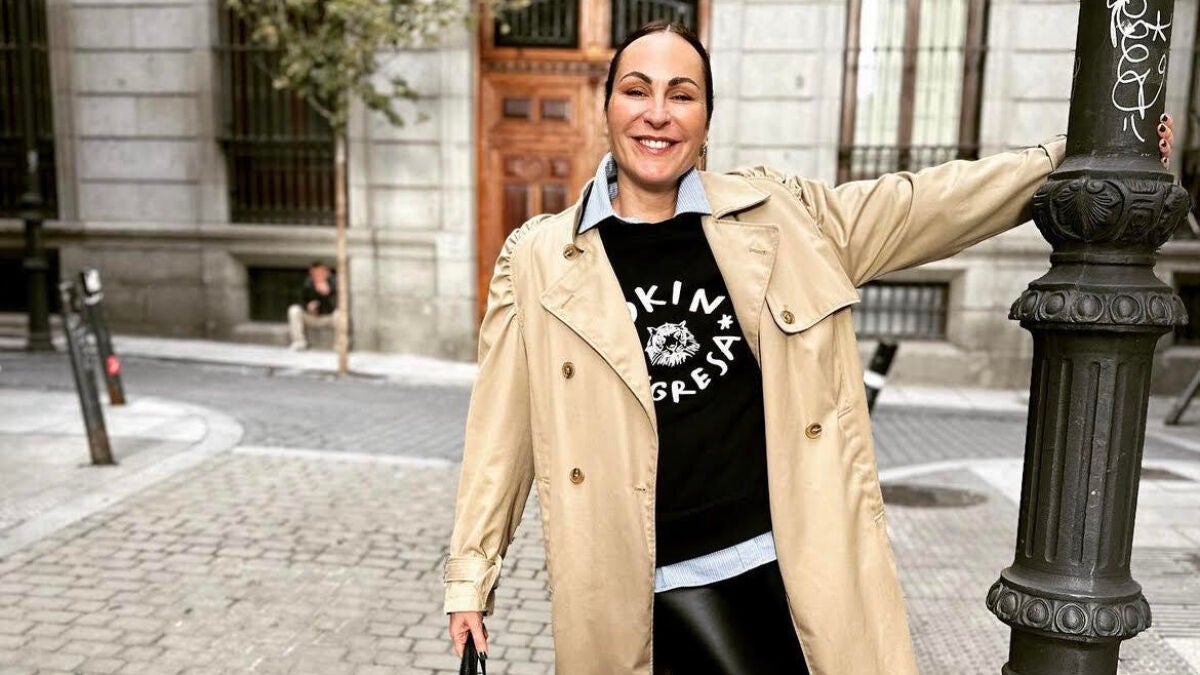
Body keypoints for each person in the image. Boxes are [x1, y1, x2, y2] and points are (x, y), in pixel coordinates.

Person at [444, 21, 1175, 675]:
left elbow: (920, 204)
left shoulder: (782, 215)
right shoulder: (538, 258)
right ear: (606, 107)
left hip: (782, 573)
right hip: (629, 590)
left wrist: (1071, 160)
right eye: (636, 90)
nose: (657, 113)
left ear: (706, 119)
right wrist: (471, 577)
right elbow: (500, 436)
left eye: (682, 94)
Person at [287, 262, 337, 350]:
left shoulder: (334, 283)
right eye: (315, 274)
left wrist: (328, 294)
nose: (317, 276)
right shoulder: (307, 283)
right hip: (312, 318)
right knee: (294, 310)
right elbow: (300, 301)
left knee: (340, 314)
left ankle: (340, 344)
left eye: (320, 273)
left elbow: (339, 305)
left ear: (326, 273)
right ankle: (299, 342)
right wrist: (308, 306)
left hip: (328, 318)